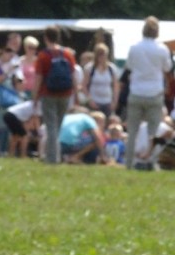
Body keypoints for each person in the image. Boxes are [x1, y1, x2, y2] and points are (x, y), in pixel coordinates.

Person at [125, 17, 171, 172]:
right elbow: (167, 67)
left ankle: (129, 164)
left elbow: (129, 66)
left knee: (132, 131)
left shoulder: (134, 47)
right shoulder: (162, 49)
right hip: (154, 93)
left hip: (136, 92)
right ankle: (150, 162)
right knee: (153, 132)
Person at [34, 25, 77, 166]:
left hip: (49, 93)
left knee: (51, 126)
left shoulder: (43, 55)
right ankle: (54, 155)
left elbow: (39, 78)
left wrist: (34, 97)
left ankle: (52, 158)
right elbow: (73, 76)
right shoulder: (68, 54)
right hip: (65, 93)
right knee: (57, 127)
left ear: (46, 37)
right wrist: (76, 95)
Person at [83, 41, 119, 117]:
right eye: (100, 55)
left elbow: (116, 87)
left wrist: (114, 102)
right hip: (94, 102)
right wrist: (90, 100)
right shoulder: (90, 68)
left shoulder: (111, 68)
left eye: (104, 54)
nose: (102, 57)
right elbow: (84, 86)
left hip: (107, 102)